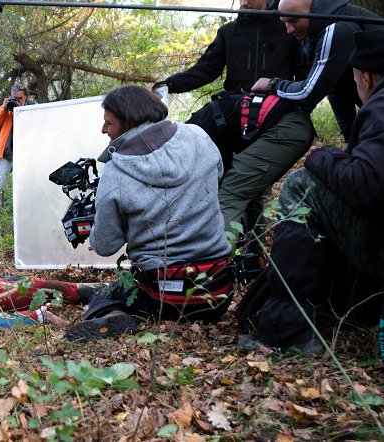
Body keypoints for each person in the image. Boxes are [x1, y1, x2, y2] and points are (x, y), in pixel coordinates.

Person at [237, 29, 384, 357]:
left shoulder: (380, 106)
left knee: (301, 185)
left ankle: (285, 330)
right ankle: (350, 310)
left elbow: (366, 187)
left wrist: (323, 155)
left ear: (366, 76)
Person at [65, 85, 234, 341]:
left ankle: (111, 316)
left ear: (128, 122)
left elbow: (104, 245)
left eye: (108, 123)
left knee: (108, 296)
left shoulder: (115, 174)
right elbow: (217, 178)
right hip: (218, 290)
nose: (103, 130)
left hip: (165, 297)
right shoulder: (199, 136)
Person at [154, 0, 315, 233]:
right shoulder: (229, 32)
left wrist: (294, 108)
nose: (243, 2)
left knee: (255, 189)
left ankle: (253, 253)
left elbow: (304, 77)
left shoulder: (286, 29)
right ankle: (235, 248)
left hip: (272, 120)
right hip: (231, 121)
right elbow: (206, 69)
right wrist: (169, 84)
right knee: (227, 184)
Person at [251, 0, 382, 141]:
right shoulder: (322, 25)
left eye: (293, 20)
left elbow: (307, 93)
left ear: (312, 11)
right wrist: (350, 139)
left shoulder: (335, 29)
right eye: (284, 22)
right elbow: (336, 87)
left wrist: (272, 84)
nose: (289, 30)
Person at [0, 83, 30, 212]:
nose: (17, 101)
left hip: (24, 155)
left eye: (20, 98)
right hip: (6, 153)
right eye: (14, 98)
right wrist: (3, 108)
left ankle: (23, 212)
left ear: (26, 97)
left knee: (24, 185)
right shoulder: (7, 110)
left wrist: (22, 110)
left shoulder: (32, 109)